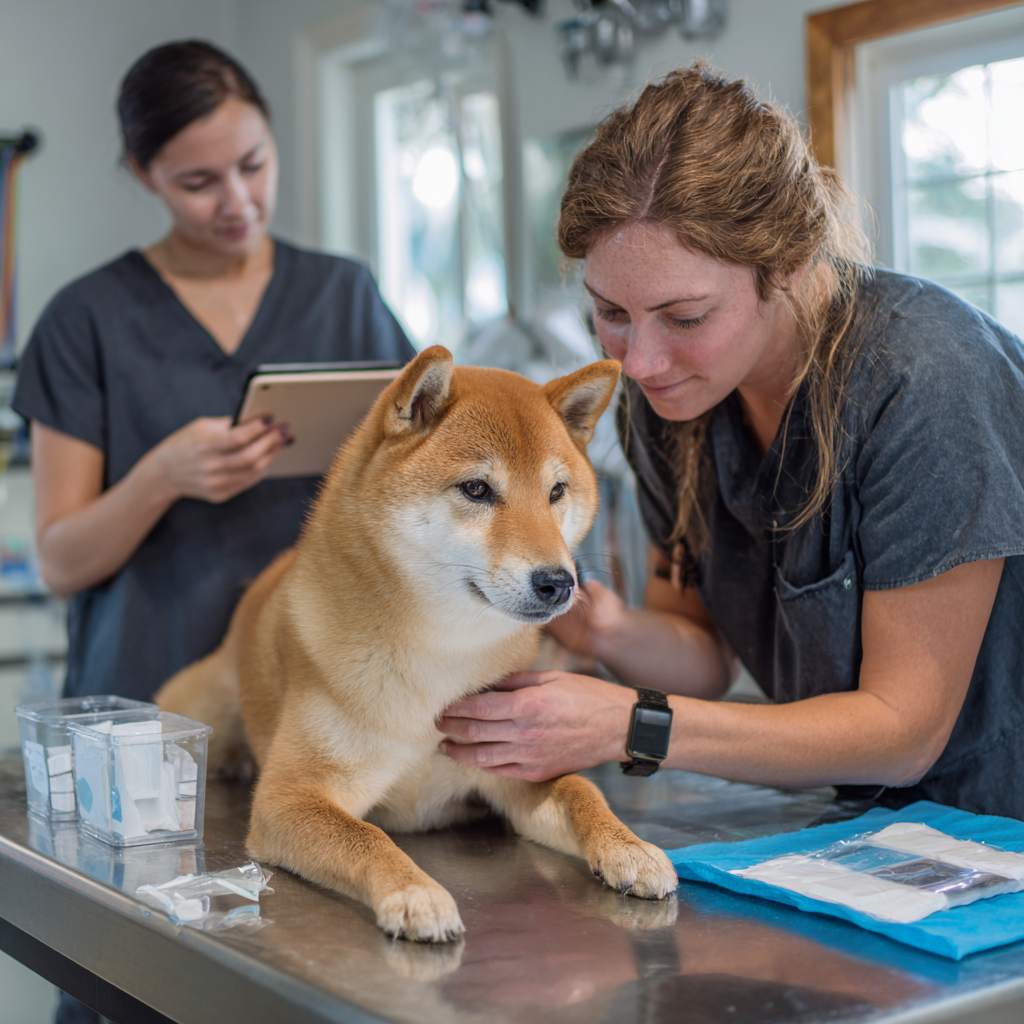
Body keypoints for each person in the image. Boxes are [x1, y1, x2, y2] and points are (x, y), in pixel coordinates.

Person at [440, 65, 1024, 821]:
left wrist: (629, 724)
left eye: (684, 318)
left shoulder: (923, 383)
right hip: (886, 829)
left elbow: (902, 731)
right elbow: (701, 652)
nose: (637, 361)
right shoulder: (668, 401)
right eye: (609, 311)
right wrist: (608, 626)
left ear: (788, 264)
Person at [13, 39, 414, 706]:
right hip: (144, 695)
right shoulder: (86, 319)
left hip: (322, 686)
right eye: (198, 184)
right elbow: (59, 565)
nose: (238, 203)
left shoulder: (343, 295)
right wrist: (161, 478)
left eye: (253, 166)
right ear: (143, 174)